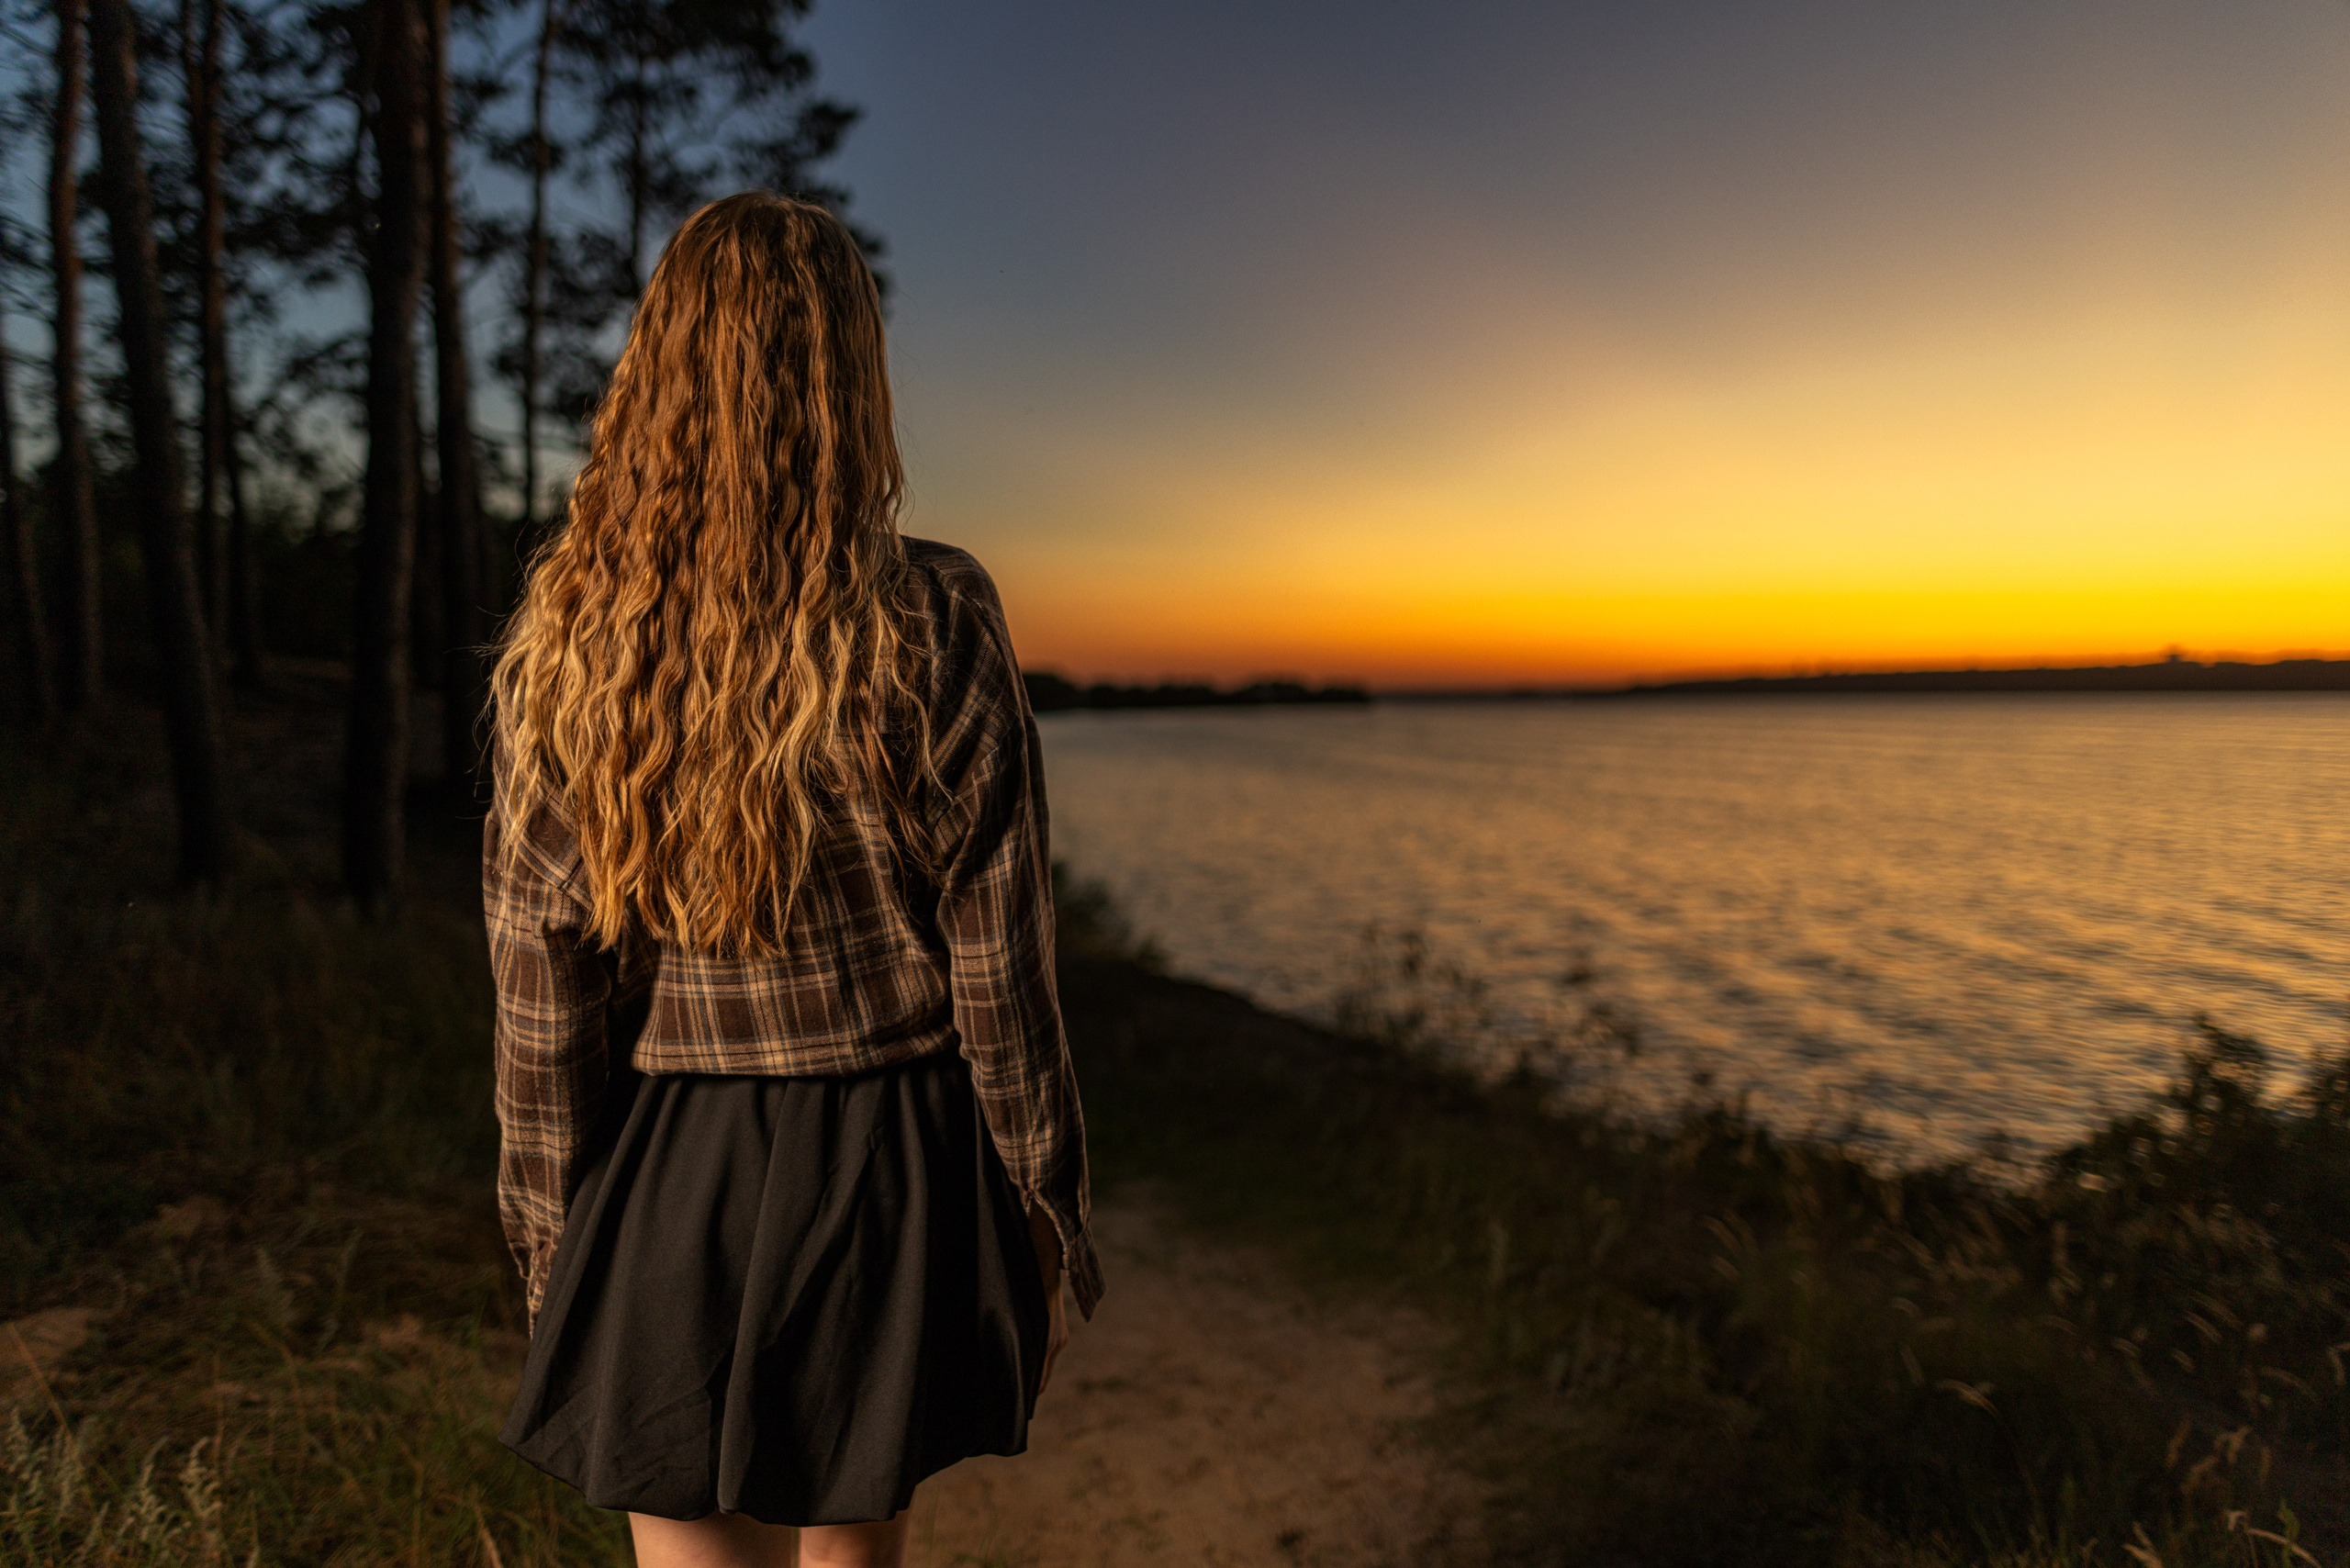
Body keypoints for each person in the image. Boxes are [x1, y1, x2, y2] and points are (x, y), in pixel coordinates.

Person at [480, 190, 1103, 1568]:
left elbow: (540, 986)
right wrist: (1045, 1212)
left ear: (660, 368)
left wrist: (550, 1239)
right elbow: (1001, 968)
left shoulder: (578, 635)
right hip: (884, 1164)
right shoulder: (934, 610)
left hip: (665, 1171)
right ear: (850, 382)